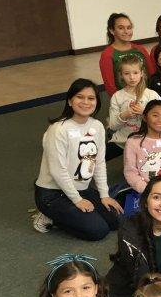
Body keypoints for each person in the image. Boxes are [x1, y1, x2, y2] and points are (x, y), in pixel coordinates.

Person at [33, 79, 122, 239]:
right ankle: (50, 217)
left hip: (81, 188)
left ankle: (67, 213)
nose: (86, 102)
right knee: (98, 231)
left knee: (116, 220)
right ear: (70, 101)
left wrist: (104, 195)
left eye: (91, 98)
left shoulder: (97, 126)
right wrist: (77, 200)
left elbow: (99, 162)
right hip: (53, 194)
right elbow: (57, 170)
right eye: (80, 97)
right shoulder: (58, 129)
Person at [107, 54, 161, 155]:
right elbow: (113, 126)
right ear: (121, 75)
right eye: (127, 73)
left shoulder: (151, 95)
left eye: (135, 73)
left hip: (147, 142)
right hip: (122, 141)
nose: (132, 77)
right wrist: (124, 115)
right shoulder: (117, 96)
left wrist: (144, 112)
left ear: (142, 73)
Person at [99, 13, 156, 95]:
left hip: (147, 95)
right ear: (112, 30)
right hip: (124, 99)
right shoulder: (107, 54)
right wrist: (122, 100)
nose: (126, 31)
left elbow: (152, 74)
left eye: (129, 28)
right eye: (121, 28)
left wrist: (151, 95)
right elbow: (110, 86)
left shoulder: (140, 49)